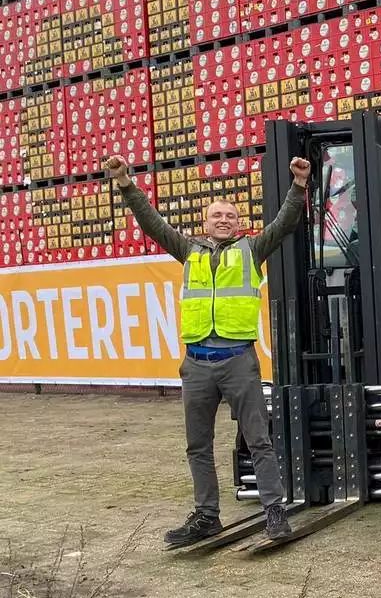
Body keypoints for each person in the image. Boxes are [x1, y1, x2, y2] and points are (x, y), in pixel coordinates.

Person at [104, 153, 312, 547]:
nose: (223, 220)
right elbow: (152, 223)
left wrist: (299, 186)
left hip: (238, 361)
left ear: (239, 224)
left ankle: (274, 513)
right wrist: (126, 185)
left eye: (230, 216)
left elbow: (285, 224)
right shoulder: (188, 251)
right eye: (216, 216)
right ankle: (206, 516)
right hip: (197, 364)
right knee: (197, 445)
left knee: (259, 441)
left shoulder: (252, 249)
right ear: (205, 223)